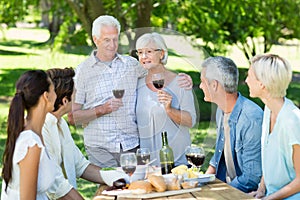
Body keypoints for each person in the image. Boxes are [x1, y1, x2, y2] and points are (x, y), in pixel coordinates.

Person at [70, 15, 193, 167]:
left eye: (115, 39)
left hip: (132, 146)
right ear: (95, 40)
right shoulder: (82, 72)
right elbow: (72, 117)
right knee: (109, 188)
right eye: (106, 40)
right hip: (101, 149)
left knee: (139, 187)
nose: (112, 45)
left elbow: (155, 68)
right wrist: (101, 109)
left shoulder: (132, 65)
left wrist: (183, 78)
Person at [199, 56, 263, 192]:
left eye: (202, 82)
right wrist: (199, 185)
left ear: (214, 85)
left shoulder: (250, 118)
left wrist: (219, 193)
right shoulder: (221, 111)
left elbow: (251, 178)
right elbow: (217, 157)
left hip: (243, 193)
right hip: (226, 186)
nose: (200, 86)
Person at [135, 32, 197, 166]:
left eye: (149, 52)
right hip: (147, 164)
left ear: (161, 54)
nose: (143, 57)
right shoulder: (137, 83)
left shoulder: (181, 82)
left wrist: (169, 110)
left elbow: (190, 121)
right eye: (140, 52)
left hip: (177, 162)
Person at [43, 68, 104, 200]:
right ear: (65, 101)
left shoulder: (61, 124)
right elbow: (55, 184)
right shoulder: (39, 128)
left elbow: (81, 165)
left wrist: (121, 176)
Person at [246, 54, 300, 199]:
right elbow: (270, 160)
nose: (246, 81)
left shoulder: (292, 120)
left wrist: (269, 199)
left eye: (249, 76)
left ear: (262, 84)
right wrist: (261, 190)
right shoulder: (268, 110)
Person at [1, 70, 57, 199]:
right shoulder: (30, 144)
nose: (56, 95)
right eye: (53, 90)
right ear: (46, 96)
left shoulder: (34, 133)